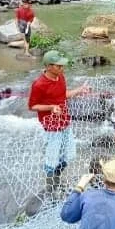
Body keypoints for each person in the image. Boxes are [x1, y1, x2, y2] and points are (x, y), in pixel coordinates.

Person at [28, 50, 89, 192]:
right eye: (58, 66)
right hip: (51, 126)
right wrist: (51, 107)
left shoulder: (61, 77)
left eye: (62, 66)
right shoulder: (39, 85)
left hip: (65, 121)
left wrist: (79, 90)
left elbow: (63, 95)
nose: (62, 68)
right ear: (48, 66)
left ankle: (57, 178)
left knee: (68, 155)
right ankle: (51, 188)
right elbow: (32, 106)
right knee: (52, 159)